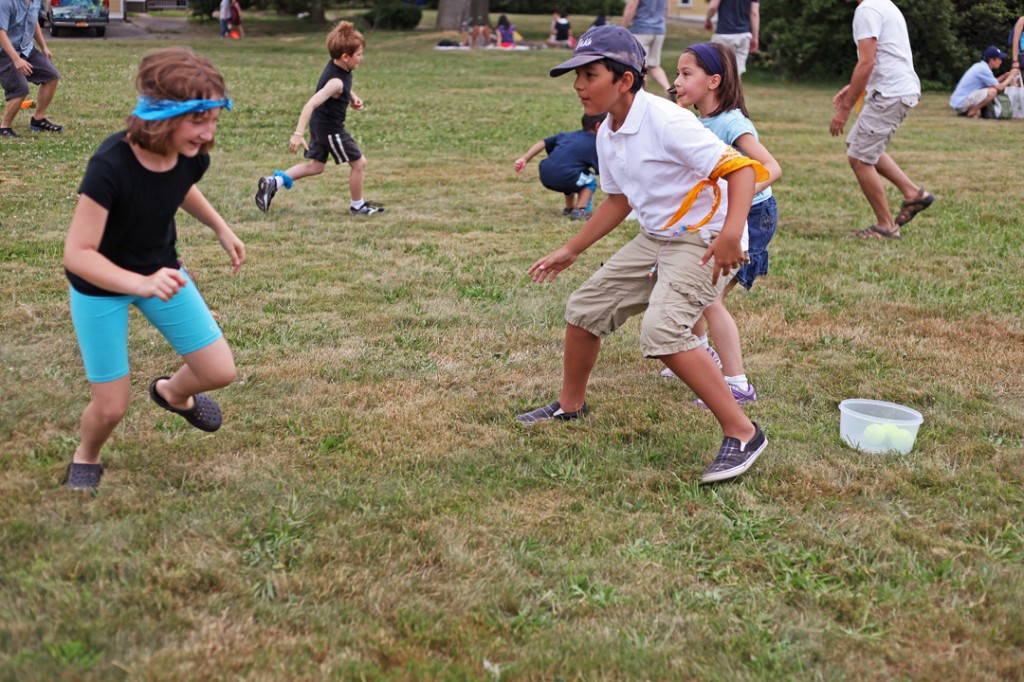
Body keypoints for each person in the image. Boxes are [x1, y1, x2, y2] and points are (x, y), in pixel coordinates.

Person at [516, 25, 769, 484]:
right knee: (585, 309)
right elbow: (618, 200)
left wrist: (732, 235)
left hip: (705, 237)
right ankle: (571, 406)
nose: (578, 86)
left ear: (625, 80)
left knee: (663, 329)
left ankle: (744, 432)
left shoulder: (667, 120)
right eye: (577, 76)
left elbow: (744, 171)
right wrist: (571, 249)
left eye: (590, 75)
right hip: (657, 236)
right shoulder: (608, 132)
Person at [61, 47, 244, 490]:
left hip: (162, 274)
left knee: (219, 371)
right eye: (198, 120)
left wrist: (219, 226)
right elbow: (78, 253)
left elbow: (180, 187)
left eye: (213, 119)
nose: (208, 132)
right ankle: (87, 455)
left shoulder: (190, 156)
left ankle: (172, 393)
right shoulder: (111, 165)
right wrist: (140, 283)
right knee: (111, 407)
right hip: (99, 287)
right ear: (162, 116)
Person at [662, 42, 781, 408]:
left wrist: (735, 196)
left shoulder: (731, 123)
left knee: (708, 297)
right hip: (718, 218)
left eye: (686, 74)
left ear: (713, 81)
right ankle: (702, 353)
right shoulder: (697, 122)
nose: (677, 81)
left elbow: (772, 168)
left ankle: (737, 384)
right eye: (677, 74)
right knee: (692, 289)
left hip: (752, 217)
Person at [254, 21, 384, 216]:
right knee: (359, 163)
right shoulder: (336, 82)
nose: (361, 58)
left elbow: (342, 87)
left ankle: (274, 182)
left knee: (316, 167)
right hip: (331, 129)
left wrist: (352, 96)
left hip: (320, 125)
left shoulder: (339, 68)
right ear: (345, 57)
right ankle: (358, 206)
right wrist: (298, 134)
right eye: (359, 54)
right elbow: (310, 104)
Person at [829, 0, 933, 240]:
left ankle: (886, 226)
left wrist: (845, 109)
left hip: (890, 93)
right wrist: (854, 87)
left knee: (859, 158)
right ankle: (913, 193)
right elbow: (886, 55)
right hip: (895, 89)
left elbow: (867, 62)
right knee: (859, 146)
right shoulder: (883, 5)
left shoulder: (867, 10)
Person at [514, 112, 606, 220]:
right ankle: (580, 210)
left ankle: (569, 208)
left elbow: (542, 142)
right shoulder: (595, 144)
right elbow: (602, 170)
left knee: (574, 174)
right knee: (590, 180)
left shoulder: (567, 135)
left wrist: (525, 158)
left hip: (545, 174)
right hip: (565, 176)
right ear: (598, 126)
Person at [0, 0, 62, 137]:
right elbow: (1, 33)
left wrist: (44, 47)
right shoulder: (5, 2)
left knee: (52, 76)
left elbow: (33, 22)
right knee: (20, 88)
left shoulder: (35, 2)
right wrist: (16, 60)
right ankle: (4, 127)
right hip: (4, 52)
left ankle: (38, 119)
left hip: (26, 49)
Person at [621, 0, 674, 98]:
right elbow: (667, 10)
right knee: (654, 66)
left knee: (640, 66)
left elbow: (631, 7)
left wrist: (623, 28)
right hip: (659, 30)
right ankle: (668, 89)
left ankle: (641, 96)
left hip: (640, 29)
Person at [949, 45, 1017, 119]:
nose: (1001, 62)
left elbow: (991, 83)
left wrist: (1003, 77)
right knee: (993, 91)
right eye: (999, 59)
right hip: (961, 102)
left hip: (959, 101)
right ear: (992, 59)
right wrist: (1011, 75)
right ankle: (971, 113)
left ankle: (967, 112)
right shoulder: (984, 70)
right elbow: (999, 87)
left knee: (990, 88)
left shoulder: (980, 66)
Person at [704, 0, 759, 76]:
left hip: (723, 35)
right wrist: (755, 37)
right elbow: (754, 13)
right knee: (736, 73)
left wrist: (708, 20)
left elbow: (712, 7)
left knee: (717, 70)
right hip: (743, 36)